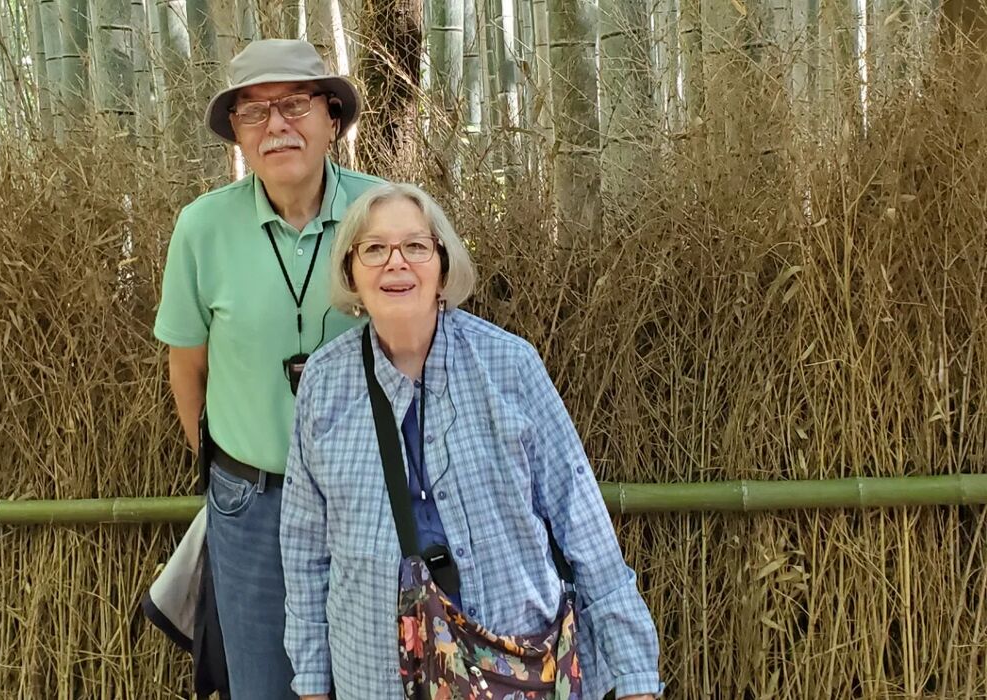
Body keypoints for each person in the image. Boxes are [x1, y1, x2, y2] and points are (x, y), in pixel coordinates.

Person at [281, 182, 663, 699]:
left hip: (514, 664)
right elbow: (305, 550)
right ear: (351, 271)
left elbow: (582, 521)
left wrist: (636, 675)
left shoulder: (508, 365)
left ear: (442, 264)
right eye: (374, 249)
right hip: (375, 675)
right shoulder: (325, 382)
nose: (396, 263)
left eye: (415, 246)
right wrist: (310, 681)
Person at [153, 39, 383, 699]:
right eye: (253, 113)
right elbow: (187, 364)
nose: (276, 125)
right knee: (262, 682)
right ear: (237, 136)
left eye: (294, 105)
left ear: (332, 118)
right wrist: (222, 466)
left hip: (366, 497)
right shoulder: (203, 227)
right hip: (250, 499)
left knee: (377, 677)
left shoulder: (387, 215)